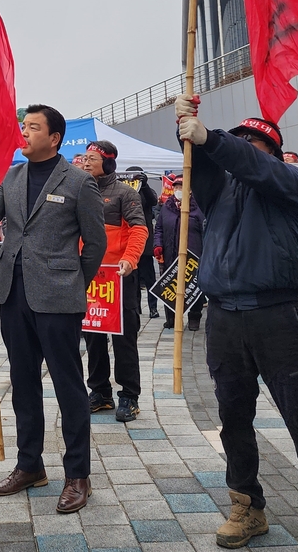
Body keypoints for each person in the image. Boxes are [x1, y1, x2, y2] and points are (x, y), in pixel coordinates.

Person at [175, 97, 298, 552]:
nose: (244, 146)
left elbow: (247, 162)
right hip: (224, 318)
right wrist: (188, 129)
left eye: (253, 142)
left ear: (271, 150)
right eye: (240, 139)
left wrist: (214, 139)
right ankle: (247, 505)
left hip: (277, 316)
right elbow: (206, 162)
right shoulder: (218, 189)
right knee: (233, 418)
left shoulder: (290, 181)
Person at [0, 104, 105, 514]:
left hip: (58, 297)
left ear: (54, 137)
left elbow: (94, 245)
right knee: (23, 383)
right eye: (24, 127)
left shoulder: (78, 182)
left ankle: (78, 474)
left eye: (32, 128)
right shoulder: (14, 174)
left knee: (68, 386)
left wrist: (75, 282)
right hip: (13, 293)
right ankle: (30, 466)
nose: (23, 133)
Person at [79, 140, 148, 423]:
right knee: (93, 338)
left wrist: (130, 260)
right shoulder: (80, 190)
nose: (85, 162)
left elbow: (139, 230)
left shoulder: (124, 194)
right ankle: (100, 393)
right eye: (84, 158)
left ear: (108, 162)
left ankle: (129, 396)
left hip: (119, 279)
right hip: (90, 279)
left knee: (124, 340)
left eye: (91, 158)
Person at [152, 174, 205, 331]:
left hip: (194, 255)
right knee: (170, 286)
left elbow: (206, 230)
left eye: (182, 187)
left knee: (194, 286)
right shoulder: (167, 207)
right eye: (176, 187)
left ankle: (194, 317)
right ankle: (172, 318)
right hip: (170, 254)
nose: (178, 190)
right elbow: (159, 228)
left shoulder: (198, 208)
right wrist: (158, 245)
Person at [128, 167, 160, 319]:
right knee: (133, 279)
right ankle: (136, 307)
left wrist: (145, 184)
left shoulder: (145, 192)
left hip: (145, 244)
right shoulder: (125, 191)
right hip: (129, 243)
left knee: (149, 279)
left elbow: (154, 200)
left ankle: (153, 307)